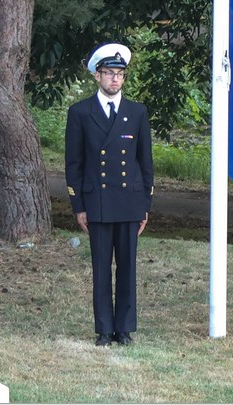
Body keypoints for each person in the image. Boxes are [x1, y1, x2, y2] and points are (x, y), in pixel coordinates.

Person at [65, 42, 154, 347]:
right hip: (98, 201)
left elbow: (145, 162)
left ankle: (125, 328)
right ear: (97, 76)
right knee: (102, 268)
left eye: (120, 74)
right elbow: (74, 163)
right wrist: (79, 205)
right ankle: (104, 328)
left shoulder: (137, 112)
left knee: (127, 267)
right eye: (109, 73)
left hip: (129, 200)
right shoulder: (80, 112)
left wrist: (146, 205)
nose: (115, 79)